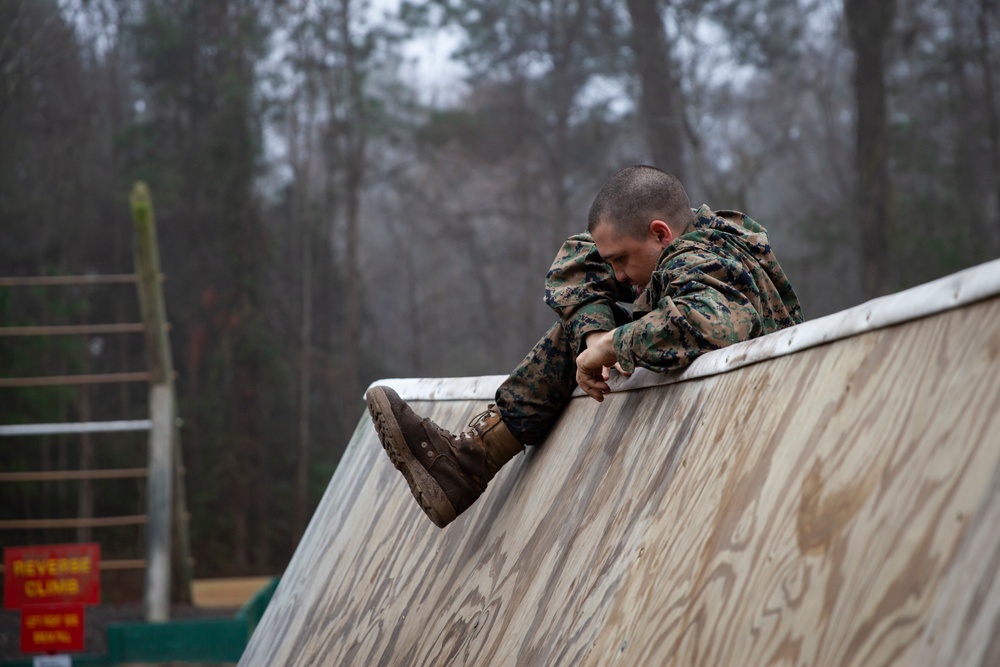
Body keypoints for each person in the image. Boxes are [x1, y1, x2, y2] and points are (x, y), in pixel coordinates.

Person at [366, 165, 803, 528]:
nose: (617, 274)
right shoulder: (694, 237)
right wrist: (593, 338)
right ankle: (466, 465)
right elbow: (576, 260)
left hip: (760, 445)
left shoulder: (700, 260)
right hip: (730, 429)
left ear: (660, 234)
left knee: (598, 327)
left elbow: (709, 325)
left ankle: (470, 463)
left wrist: (611, 346)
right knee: (587, 322)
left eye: (621, 260)